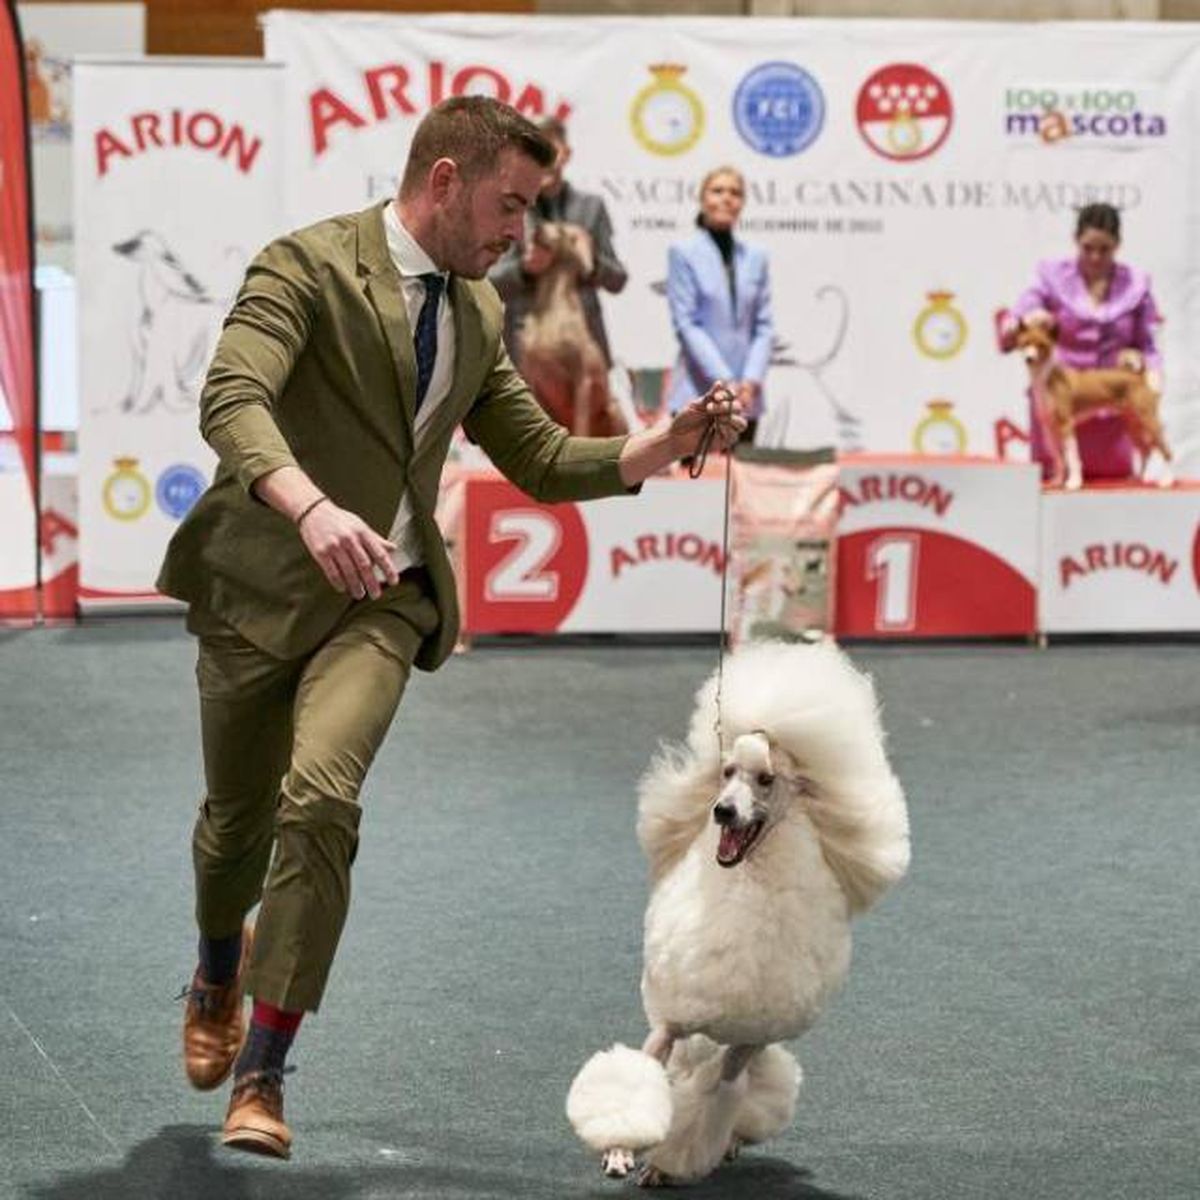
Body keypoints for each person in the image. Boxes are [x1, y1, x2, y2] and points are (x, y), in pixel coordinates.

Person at [157, 96, 743, 1161]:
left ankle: (266, 1071)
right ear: (443, 183)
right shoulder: (306, 266)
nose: (520, 232)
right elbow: (232, 396)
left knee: (320, 798)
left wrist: (666, 442)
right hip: (259, 586)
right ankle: (214, 963)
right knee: (232, 828)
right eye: (508, 206)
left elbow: (541, 456)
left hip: (385, 597)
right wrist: (310, 503)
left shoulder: (475, 315)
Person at [1005, 202, 1163, 482]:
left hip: (1111, 410)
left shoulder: (1136, 285)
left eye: (1105, 249)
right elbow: (1019, 316)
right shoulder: (1050, 275)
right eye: (1088, 247)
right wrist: (1031, 317)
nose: (1095, 257)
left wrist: (1152, 372)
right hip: (1059, 397)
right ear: (1076, 240)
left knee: (1110, 496)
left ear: (1118, 245)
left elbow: (1147, 343)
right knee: (1056, 484)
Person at [489, 115, 627, 370]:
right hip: (526, 350)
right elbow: (488, 284)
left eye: (549, 151)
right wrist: (524, 269)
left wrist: (591, 263)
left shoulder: (591, 207)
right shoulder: (509, 208)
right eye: (534, 153)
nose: (544, 160)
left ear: (567, 153)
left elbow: (618, 279)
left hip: (584, 346)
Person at [665, 166, 773, 447]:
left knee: (741, 484)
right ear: (702, 199)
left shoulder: (756, 256)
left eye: (735, 193)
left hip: (747, 397)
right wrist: (724, 380)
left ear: (742, 203)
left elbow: (764, 325)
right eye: (718, 190)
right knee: (690, 483)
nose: (727, 198)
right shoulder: (683, 252)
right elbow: (686, 324)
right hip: (697, 392)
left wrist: (749, 380)